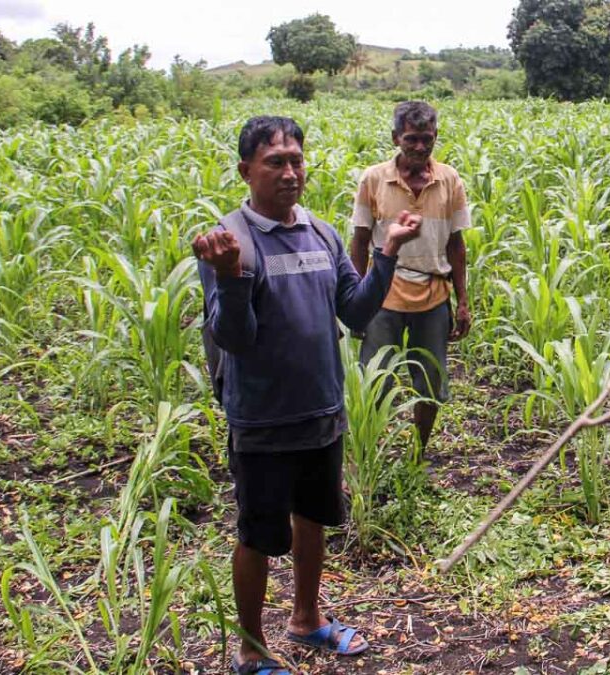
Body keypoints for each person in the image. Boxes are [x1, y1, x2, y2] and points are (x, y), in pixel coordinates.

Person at [192, 115, 422, 675]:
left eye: (296, 160)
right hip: (263, 418)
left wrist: (387, 251)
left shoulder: (320, 232)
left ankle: (306, 620)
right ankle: (250, 650)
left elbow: (355, 309)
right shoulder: (229, 241)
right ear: (246, 170)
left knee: (311, 517)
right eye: (275, 162)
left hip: (322, 409)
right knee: (256, 533)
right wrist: (229, 276)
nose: (290, 172)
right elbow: (234, 338)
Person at [350, 100, 471, 453]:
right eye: (412, 138)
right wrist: (356, 299)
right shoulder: (373, 179)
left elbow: (456, 245)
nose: (420, 147)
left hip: (433, 295)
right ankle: (370, 453)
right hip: (382, 295)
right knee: (375, 380)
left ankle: (419, 451)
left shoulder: (449, 180)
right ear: (395, 138)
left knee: (430, 381)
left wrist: (462, 301)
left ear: (435, 137)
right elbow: (358, 243)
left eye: (427, 139)